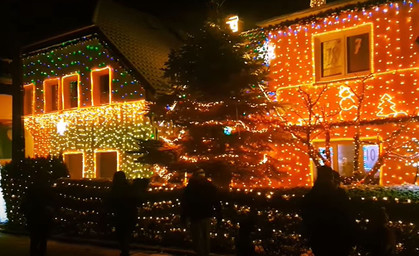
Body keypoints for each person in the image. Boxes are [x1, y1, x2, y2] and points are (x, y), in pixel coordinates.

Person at [300, 165, 357, 256]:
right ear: (331, 177)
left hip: (319, 237)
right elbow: (348, 215)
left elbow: (306, 216)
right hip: (339, 237)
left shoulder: (312, 195)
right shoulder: (338, 194)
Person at [181, 168, 222, 256]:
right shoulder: (209, 187)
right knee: (205, 238)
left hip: (195, 216)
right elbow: (216, 202)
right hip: (206, 215)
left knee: (197, 239)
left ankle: (201, 253)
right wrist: (219, 216)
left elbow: (185, 203)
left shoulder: (191, 188)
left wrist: (183, 218)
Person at [21, 171, 56, 256]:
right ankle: (40, 251)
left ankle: (34, 251)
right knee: (43, 236)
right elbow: (52, 200)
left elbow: (27, 200)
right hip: (43, 215)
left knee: (35, 236)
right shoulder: (46, 188)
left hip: (34, 215)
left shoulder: (32, 188)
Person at [106, 171, 138, 256]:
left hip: (121, 215)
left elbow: (111, 201)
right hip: (129, 214)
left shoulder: (116, 188)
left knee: (121, 233)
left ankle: (124, 249)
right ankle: (125, 249)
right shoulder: (128, 187)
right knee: (125, 233)